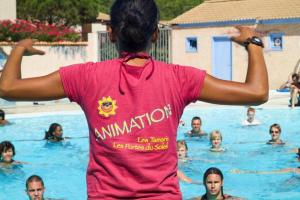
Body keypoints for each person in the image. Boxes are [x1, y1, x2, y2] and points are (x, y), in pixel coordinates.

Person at [0, 0, 268, 198]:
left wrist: (19, 50)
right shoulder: (179, 79)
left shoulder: (85, 77)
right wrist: (252, 43)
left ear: (112, 33)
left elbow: (8, 88)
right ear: (154, 34)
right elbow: (256, 92)